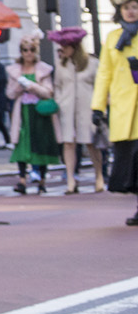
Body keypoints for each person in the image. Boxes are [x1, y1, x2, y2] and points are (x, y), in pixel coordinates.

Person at [93, 0, 138, 225]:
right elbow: (104, 73)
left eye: (134, 7)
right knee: (129, 159)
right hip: (122, 108)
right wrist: (97, 106)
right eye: (126, 8)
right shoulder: (112, 38)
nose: (130, 12)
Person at [49, 26, 104, 192]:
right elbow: (57, 86)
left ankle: (99, 175)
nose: (62, 50)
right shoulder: (61, 65)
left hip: (87, 108)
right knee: (68, 144)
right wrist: (59, 102)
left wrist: (99, 108)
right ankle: (71, 180)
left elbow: (99, 86)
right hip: (66, 110)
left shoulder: (92, 63)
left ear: (75, 47)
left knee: (91, 143)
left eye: (65, 46)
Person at [4, 30, 58, 194]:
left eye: (31, 50)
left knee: (41, 144)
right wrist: (20, 85)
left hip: (39, 113)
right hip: (22, 113)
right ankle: (22, 180)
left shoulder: (44, 70)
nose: (28, 53)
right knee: (21, 144)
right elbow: (10, 94)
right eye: (25, 50)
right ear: (21, 52)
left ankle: (41, 179)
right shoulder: (14, 71)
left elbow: (48, 92)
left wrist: (32, 86)